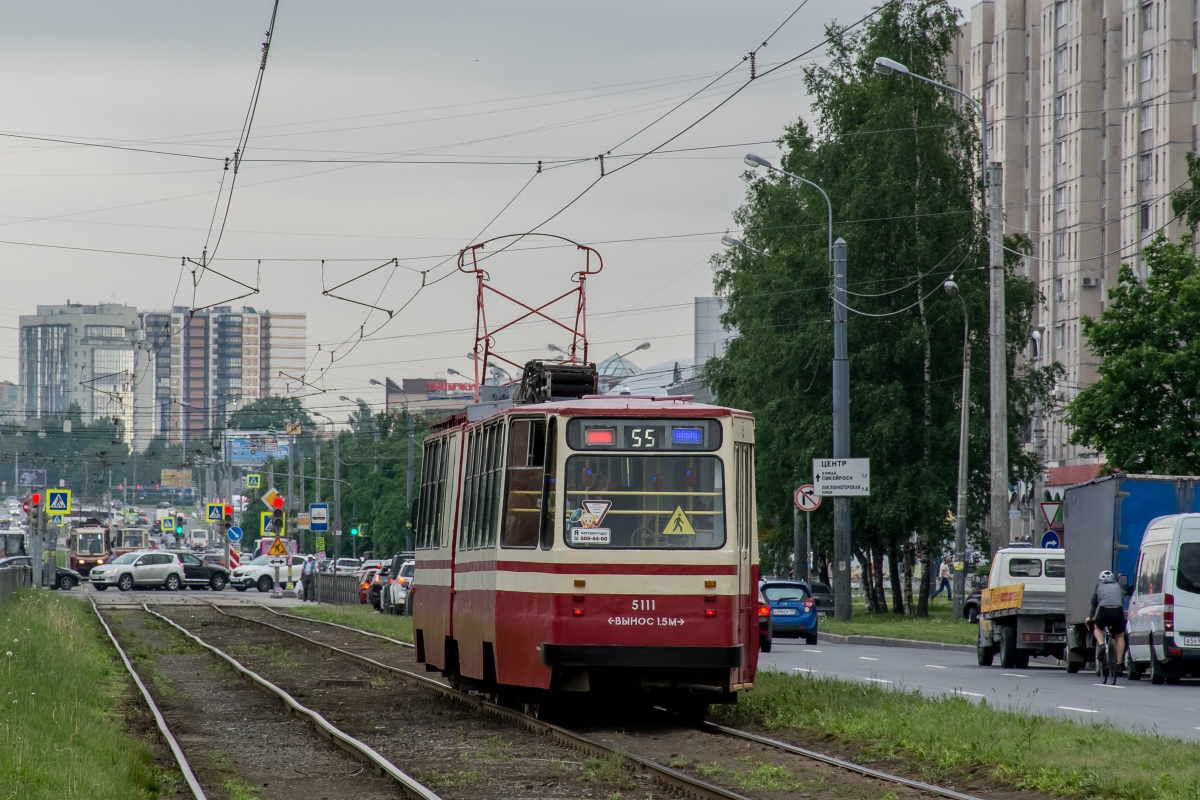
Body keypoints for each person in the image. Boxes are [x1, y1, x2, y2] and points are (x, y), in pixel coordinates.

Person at [1086, 570, 1126, 675]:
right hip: (1118, 611)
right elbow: (1122, 600)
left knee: (1098, 628)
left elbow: (1094, 603)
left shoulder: (1098, 586)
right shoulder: (1117, 586)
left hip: (1104, 610)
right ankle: (1119, 663)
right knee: (1120, 636)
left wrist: (1090, 617)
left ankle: (1102, 644)